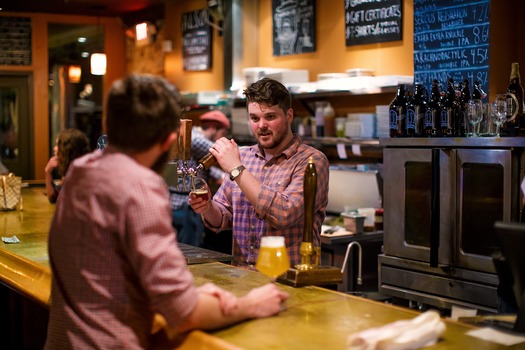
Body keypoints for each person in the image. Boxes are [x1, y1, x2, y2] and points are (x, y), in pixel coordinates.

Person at [45, 74, 289, 349]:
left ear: (107, 125)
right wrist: (249, 305)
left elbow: (111, 275)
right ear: (169, 140)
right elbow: (183, 313)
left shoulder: (80, 171)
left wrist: (195, 294)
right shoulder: (140, 186)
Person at [190, 77, 329, 268]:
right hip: (243, 279)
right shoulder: (244, 157)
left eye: (270, 117)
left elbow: (284, 214)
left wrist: (236, 169)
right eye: (254, 118)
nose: (261, 125)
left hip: (289, 282)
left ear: (289, 115)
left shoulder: (311, 161)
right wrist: (207, 207)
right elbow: (222, 217)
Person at [170, 110, 230, 247]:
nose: (221, 138)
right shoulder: (197, 141)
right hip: (188, 205)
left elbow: (198, 167)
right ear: (214, 128)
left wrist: (220, 176)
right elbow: (225, 153)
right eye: (223, 133)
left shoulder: (189, 137)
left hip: (173, 203)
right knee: (190, 252)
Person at [44, 128, 90, 203]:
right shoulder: (70, 171)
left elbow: (55, 199)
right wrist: (48, 172)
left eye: (57, 145)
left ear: (67, 150)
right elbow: (53, 198)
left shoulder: (78, 175)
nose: (54, 148)